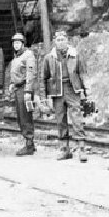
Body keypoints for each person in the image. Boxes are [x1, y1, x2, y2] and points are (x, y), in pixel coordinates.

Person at [39, 30, 88, 162]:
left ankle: (81, 149)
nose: (60, 42)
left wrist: (85, 92)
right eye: (58, 40)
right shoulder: (49, 58)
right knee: (60, 120)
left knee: (77, 118)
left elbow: (82, 74)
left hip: (72, 90)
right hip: (57, 91)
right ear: (55, 41)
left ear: (67, 40)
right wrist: (44, 97)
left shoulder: (75, 55)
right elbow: (43, 78)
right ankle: (64, 149)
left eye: (63, 39)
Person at [9, 33, 37, 157]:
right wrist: (12, 84)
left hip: (24, 89)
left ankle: (29, 144)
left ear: (23, 44)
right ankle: (30, 143)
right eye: (14, 43)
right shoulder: (17, 57)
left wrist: (27, 91)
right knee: (21, 117)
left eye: (18, 43)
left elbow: (30, 74)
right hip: (18, 88)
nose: (16, 45)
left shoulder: (28, 55)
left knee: (25, 117)